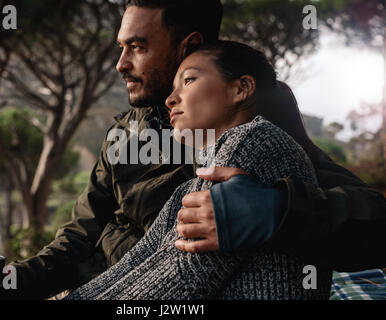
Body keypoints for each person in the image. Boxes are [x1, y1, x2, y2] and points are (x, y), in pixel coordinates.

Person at [0, 0, 385, 300]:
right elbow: (78, 240)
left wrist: (279, 210)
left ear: (188, 45)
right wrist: (5, 283)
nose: (120, 64)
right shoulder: (127, 130)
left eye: (137, 47)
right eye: (120, 47)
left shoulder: (254, 124)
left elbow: (374, 221)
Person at [65, 40, 331, 300]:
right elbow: (135, 264)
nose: (170, 99)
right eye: (172, 88)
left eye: (189, 80)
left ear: (241, 89)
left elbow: (184, 276)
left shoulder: (251, 142)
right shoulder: (196, 182)